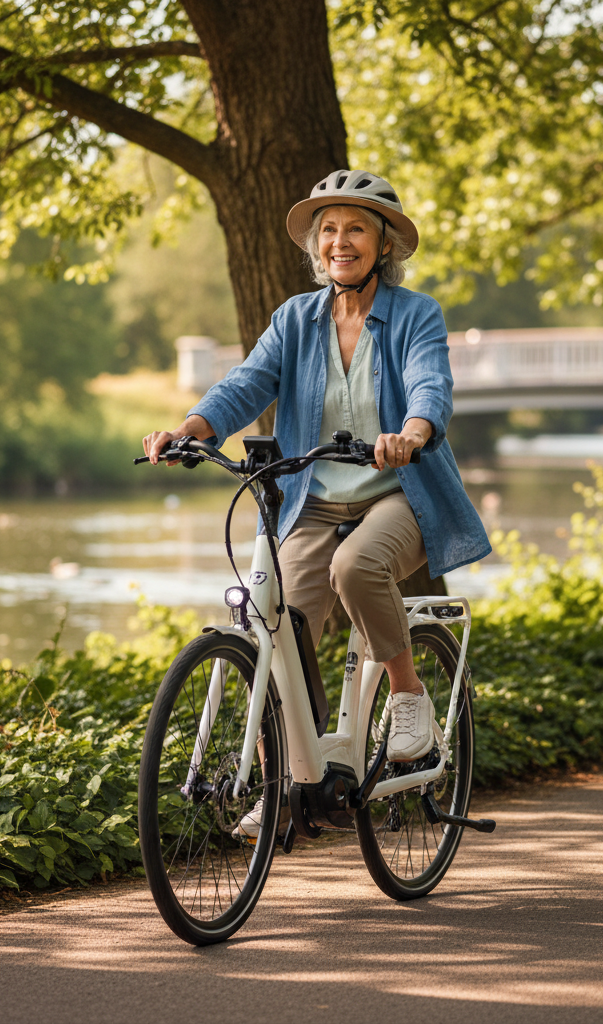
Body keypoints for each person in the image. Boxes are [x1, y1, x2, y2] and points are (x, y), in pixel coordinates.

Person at [144, 169, 490, 831]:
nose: (340, 241)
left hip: (399, 493)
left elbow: (429, 384)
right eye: (328, 230)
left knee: (356, 567)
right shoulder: (295, 320)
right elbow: (246, 384)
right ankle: (286, 788)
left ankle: (408, 694)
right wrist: (190, 430)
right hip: (314, 500)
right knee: (274, 620)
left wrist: (413, 432)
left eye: (355, 228)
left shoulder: (416, 314)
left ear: (384, 243)